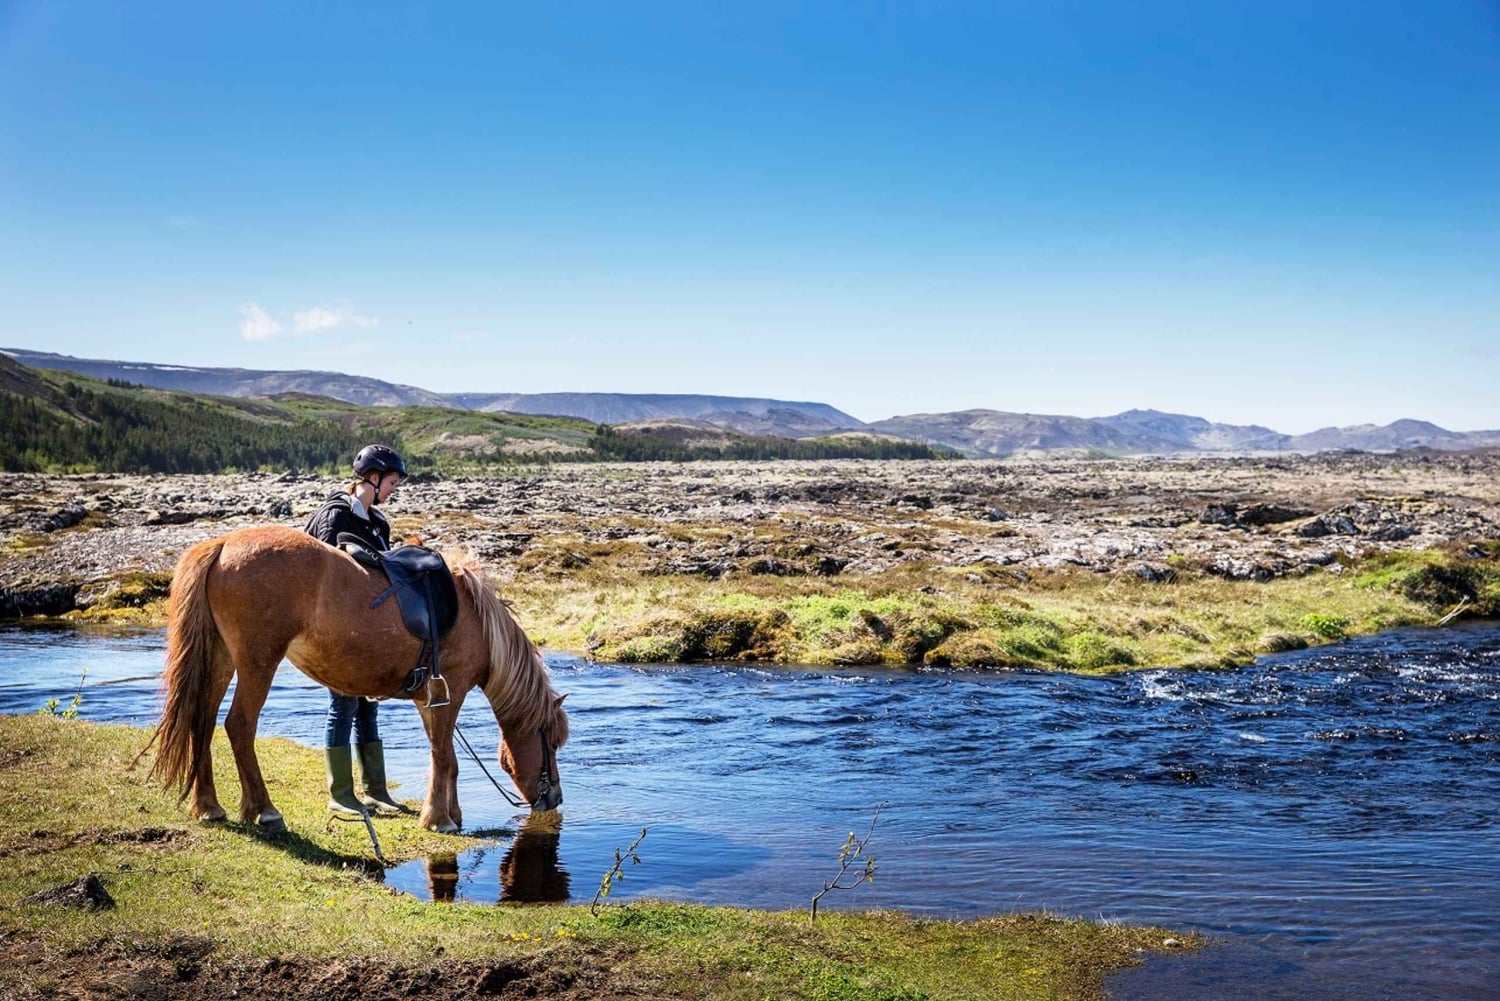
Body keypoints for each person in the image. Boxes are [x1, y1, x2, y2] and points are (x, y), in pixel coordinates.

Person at [302, 444, 408, 817]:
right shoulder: (333, 515)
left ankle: (376, 791)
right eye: (392, 482)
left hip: (368, 631)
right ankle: (340, 795)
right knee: (342, 705)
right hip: (334, 630)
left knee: (367, 708)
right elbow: (326, 574)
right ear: (373, 478)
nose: (394, 489)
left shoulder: (378, 524)